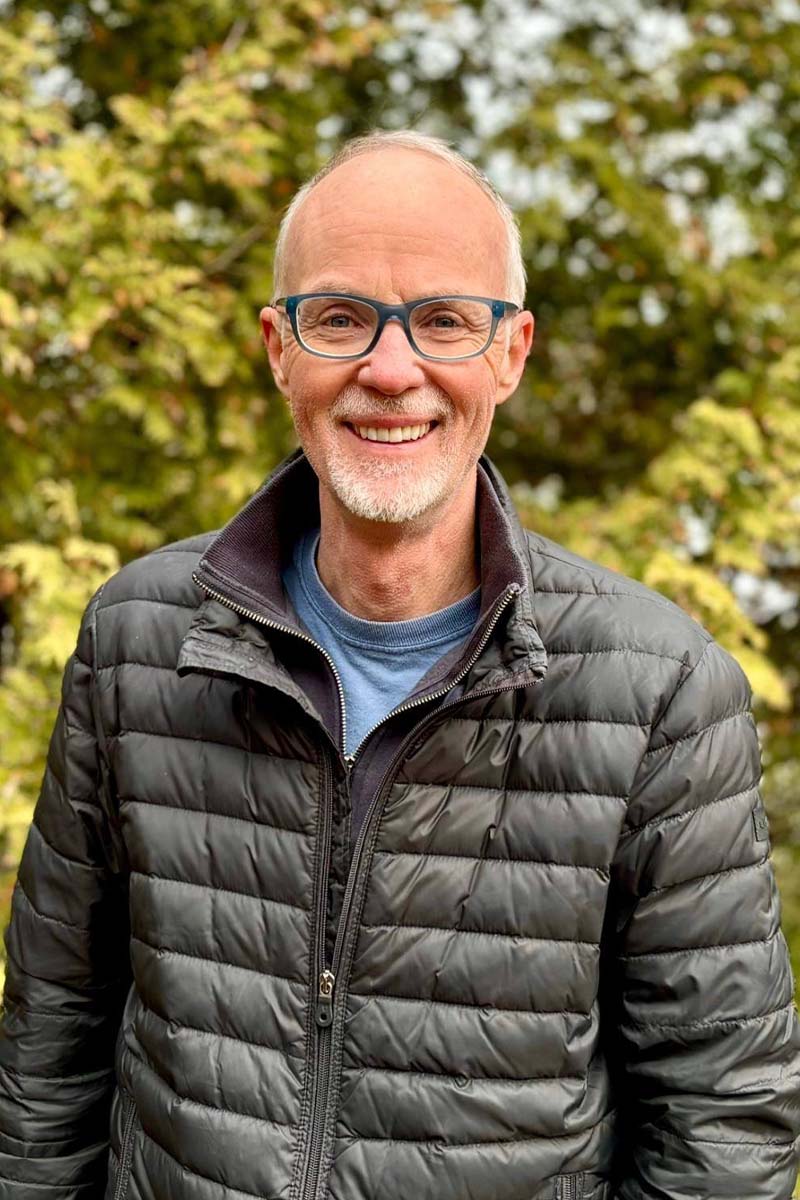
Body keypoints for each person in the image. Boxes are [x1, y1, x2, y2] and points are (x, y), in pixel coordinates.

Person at [1, 130, 798, 1200]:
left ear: (509, 353)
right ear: (277, 348)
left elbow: (722, 1124)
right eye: (338, 317)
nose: (389, 370)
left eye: (442, 321)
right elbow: (49, 1053)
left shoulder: (657, 690)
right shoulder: (137, 640)